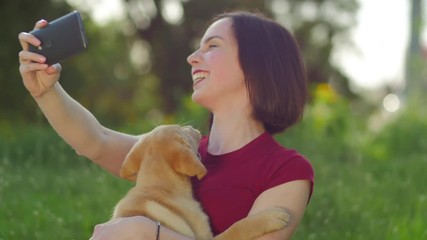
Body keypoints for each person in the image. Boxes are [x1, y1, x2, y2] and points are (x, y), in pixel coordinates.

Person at [18, 10, 314, 240]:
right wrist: (44, 91)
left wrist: (146, 232)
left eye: (212, 46)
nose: (192, 58)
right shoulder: (171, 149)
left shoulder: (287, 170)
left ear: (257, 65)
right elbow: (97, 141)